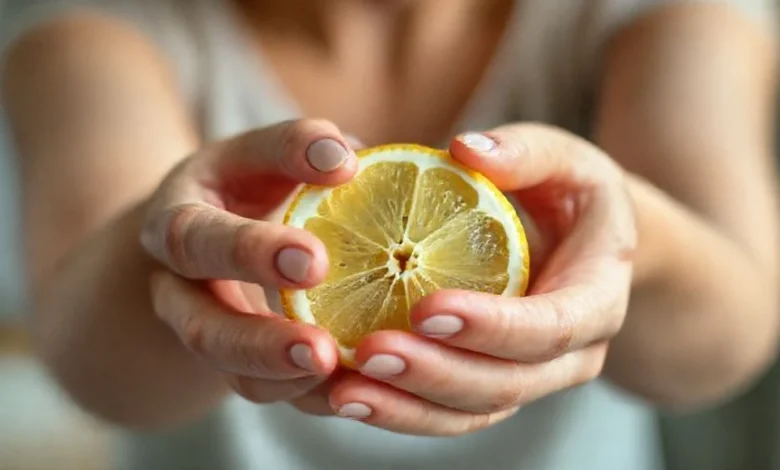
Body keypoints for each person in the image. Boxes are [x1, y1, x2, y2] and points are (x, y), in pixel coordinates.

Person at [1, 0, 778, 469]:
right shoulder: (99, 30)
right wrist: (167, 245)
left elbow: (733, 330)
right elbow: (96, 366)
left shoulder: (655, 17)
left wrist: (625, 235)